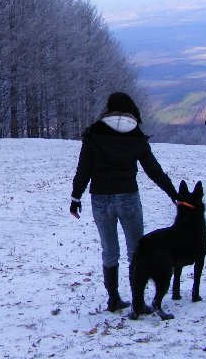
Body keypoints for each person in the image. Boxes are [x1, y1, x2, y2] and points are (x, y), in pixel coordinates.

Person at [69, 92, 178, 313]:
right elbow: (154, 171)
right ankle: (137, 303)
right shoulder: (136, 135)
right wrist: (173, 194)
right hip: (128, 196)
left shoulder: (94, 133)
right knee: (136, 251)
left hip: (100, 198)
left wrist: (75, 198)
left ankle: (113, 300)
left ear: (108, 108)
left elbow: (83, 170)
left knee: (109, 251)